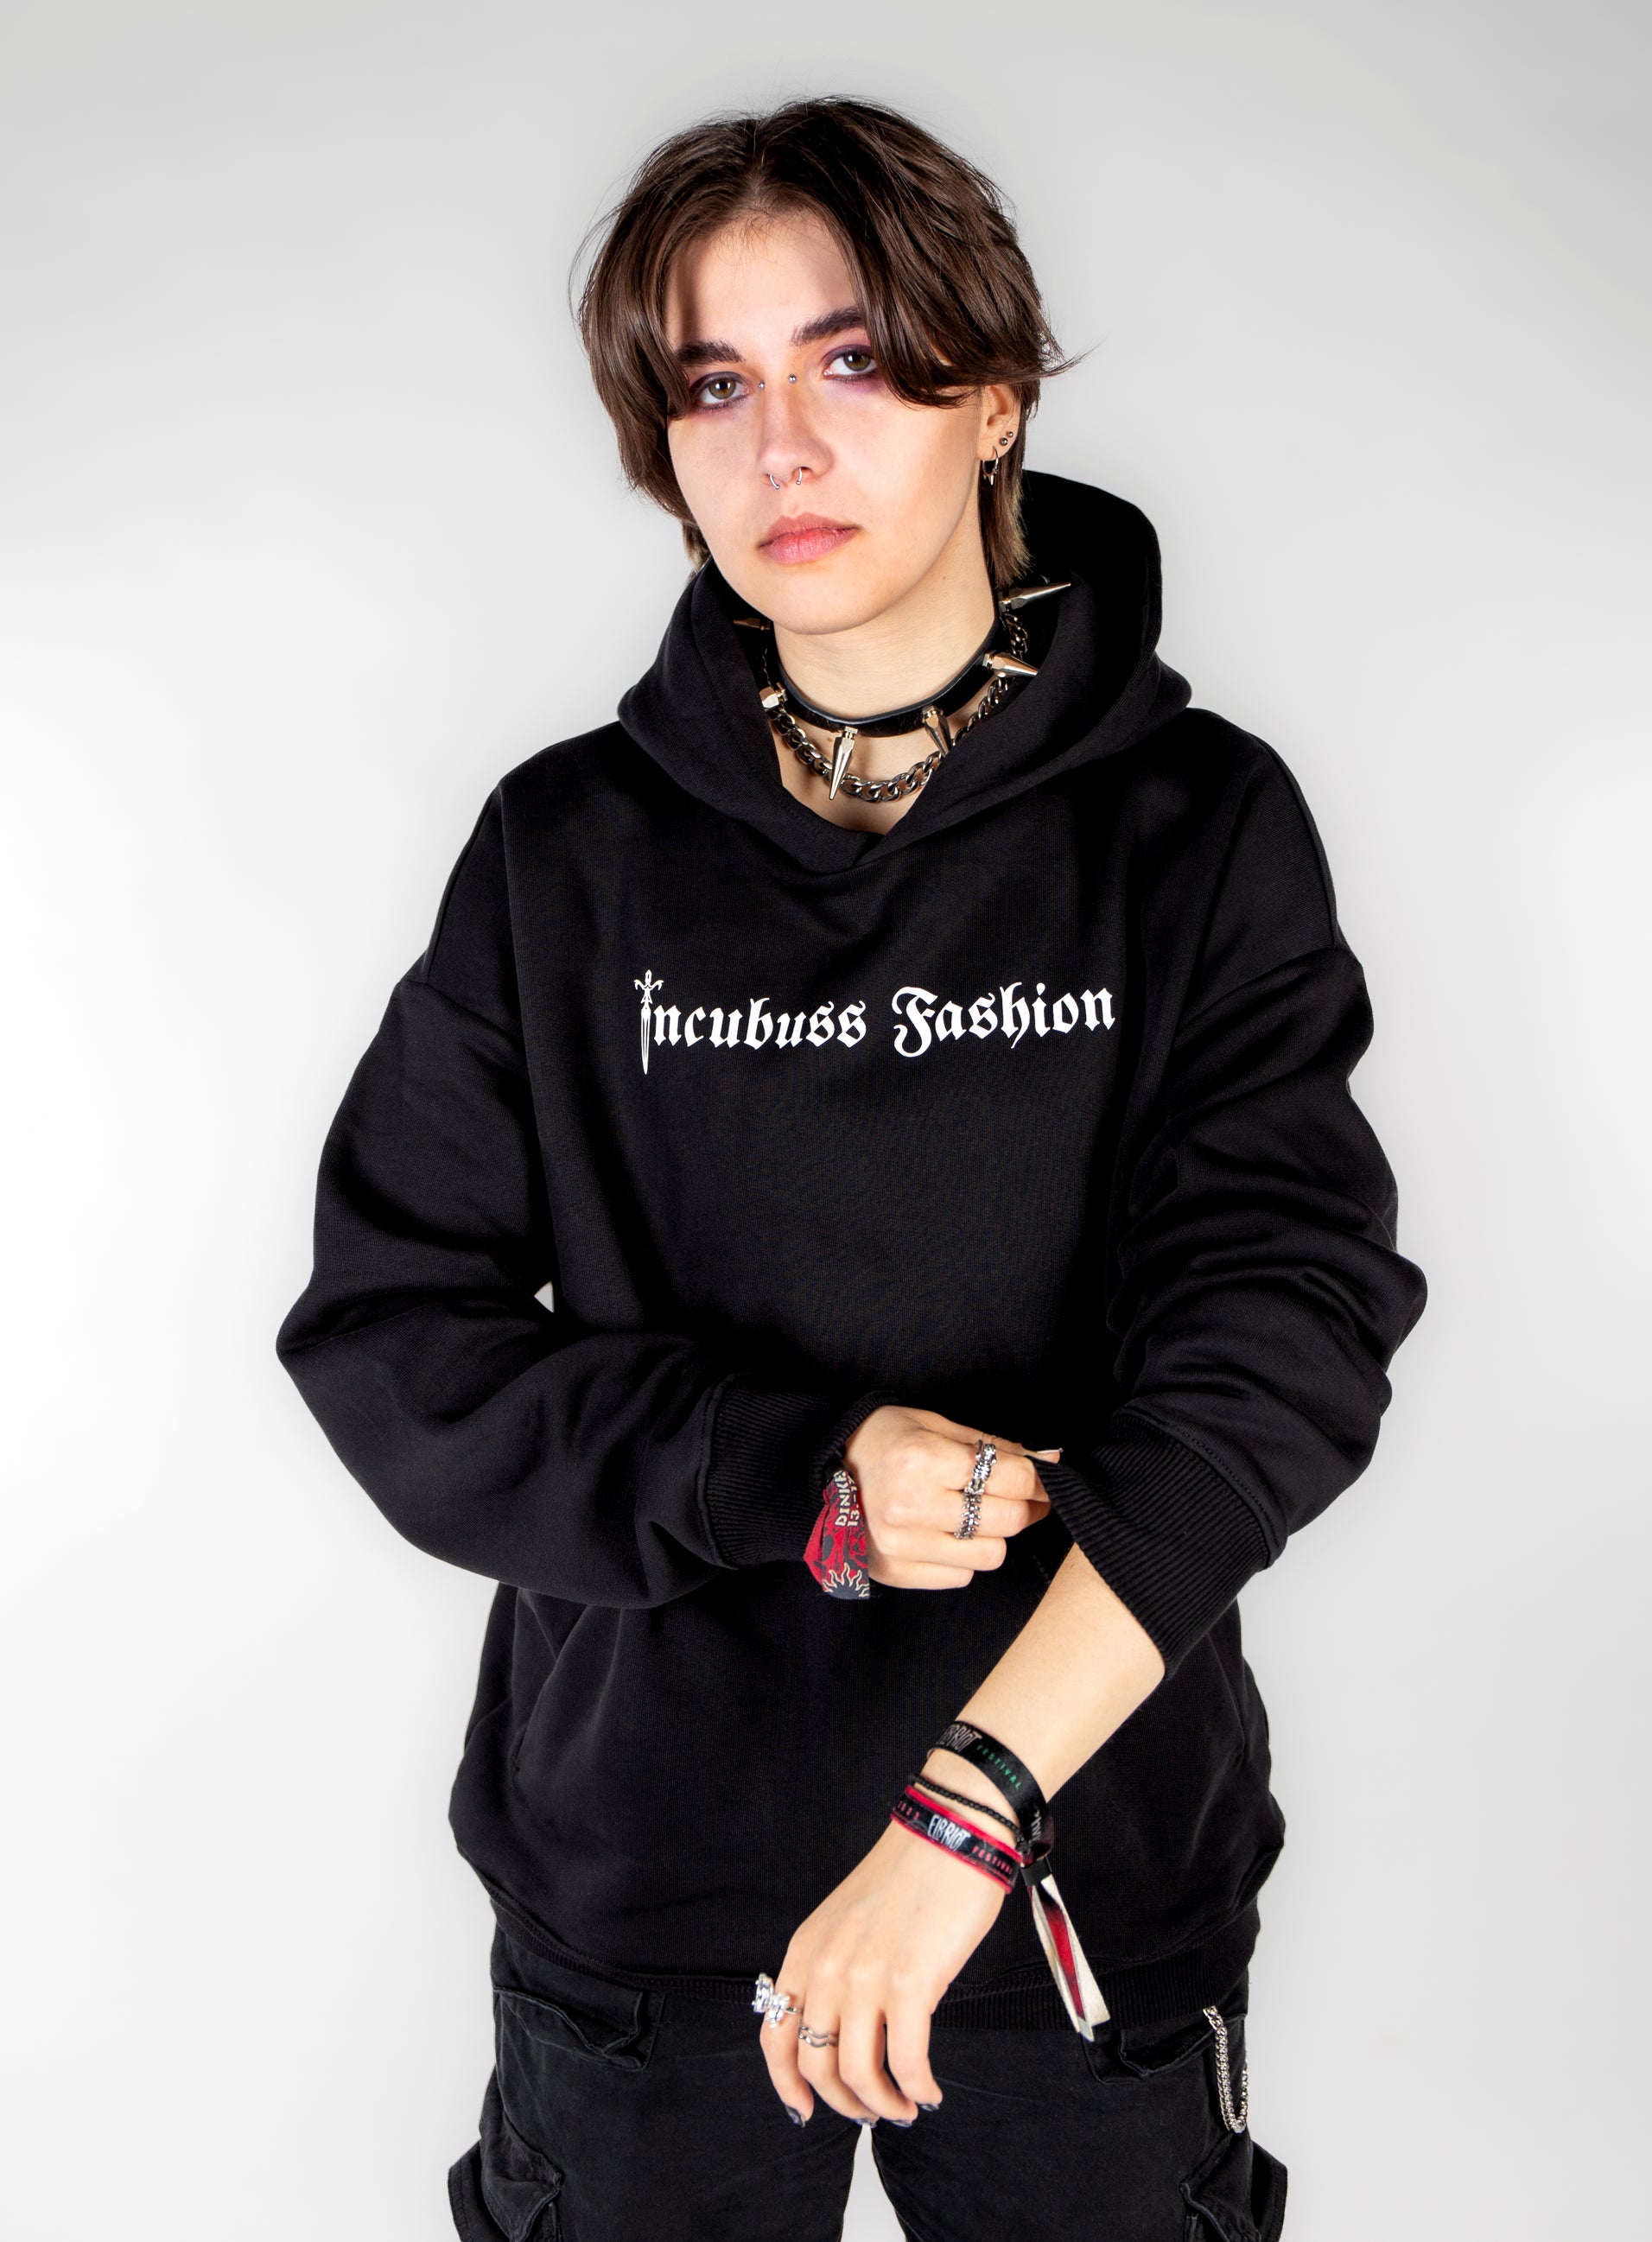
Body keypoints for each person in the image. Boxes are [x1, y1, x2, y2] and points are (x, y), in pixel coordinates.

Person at [277, 95, 1426, 2242]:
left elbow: (1279, 1347)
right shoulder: (562, 852)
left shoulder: (1195, 830)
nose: (781, 448)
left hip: (1075, 1879)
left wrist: (967, 1809)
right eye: (712, 384)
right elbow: (392, 1337)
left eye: (854, 360)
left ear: (993, 398)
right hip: (646, 1903)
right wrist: (790, 1472)